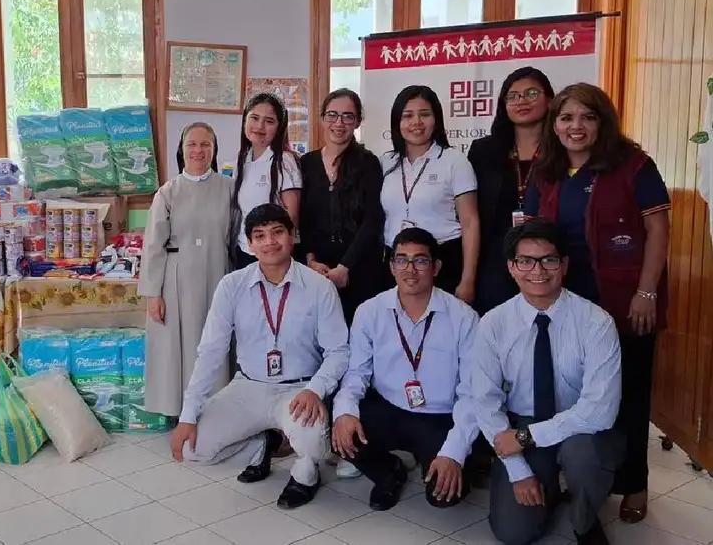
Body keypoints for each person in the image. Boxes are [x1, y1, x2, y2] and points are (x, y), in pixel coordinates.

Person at [524, 83, 670, 522]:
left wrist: (647, 292)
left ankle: (633, 484)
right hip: (564, 304)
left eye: (587, 117)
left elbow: (659, 232)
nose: (576, 127)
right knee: (572, 392)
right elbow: (532, 236)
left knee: (629, 395)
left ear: (602, 121)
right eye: (566, 118)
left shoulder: (634, 165)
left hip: (625, 303)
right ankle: (581, 478)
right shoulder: (545, 170)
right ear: (554, 124)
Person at [169, 203, 349, 509]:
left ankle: (305, 475)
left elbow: (339, 352)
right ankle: (262, 447)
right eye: (260, 235)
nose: (270, 242)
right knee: (192, 450)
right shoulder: (232, 286)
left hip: (298, 389)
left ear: (292, 236)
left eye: (278, 232)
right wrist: (187, 415)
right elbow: (211, 352)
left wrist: (314, 390)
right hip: (248, 386)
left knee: (313, 443)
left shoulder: (319, 287)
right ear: (249, 244)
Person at [471, 218, 623, 545]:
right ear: (511, 267)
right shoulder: (493, 324)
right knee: (513, 534)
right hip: (520, 423)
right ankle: (547, 487)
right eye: (525, 261)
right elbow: (485, 403)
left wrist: (527, 437)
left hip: (578, 426)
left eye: (549, 260)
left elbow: (600, 411)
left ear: (564, 265)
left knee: (585, 456)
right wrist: (519, 471)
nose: (537, 270)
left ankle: (583, 518)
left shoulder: (596, 323)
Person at [332, 227, 479, 510]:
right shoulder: (370, 311)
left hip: (441, 417)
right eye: (402, 260)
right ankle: (388, 472)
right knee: (335, 417)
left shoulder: (464, 318)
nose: (410, 269)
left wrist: (453, 453)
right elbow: (356, 374)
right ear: (391, 266)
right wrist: (345, 413)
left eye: (421, 260)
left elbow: (472, 393)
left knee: (443, 496)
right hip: (390, 409)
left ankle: (440, 461)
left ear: (436, 267)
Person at [139, 122, 233, 418]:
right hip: (177, 281)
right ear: (182, 149)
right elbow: (153, 246)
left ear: (214, 150)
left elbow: (238, 237)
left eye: (205, 144)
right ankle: (179, 409)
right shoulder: (168, 193)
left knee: (214, 340)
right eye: (192, 144)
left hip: (219, 274)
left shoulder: (229, 189)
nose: (198, 150)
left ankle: (216, 407)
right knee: (178, 346)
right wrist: (153, 293)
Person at [380, 86, 479, 303]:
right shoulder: (385, 162)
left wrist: (468, 280)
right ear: (397, 122)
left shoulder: (454, 161)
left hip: (443, 262)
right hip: (397, 263)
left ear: (436, 119)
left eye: (424, 114)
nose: (416, 122)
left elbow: (470, 222)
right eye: (407, 116)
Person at [469, 67, 555, 315]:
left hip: (546, 260)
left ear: (549, 100)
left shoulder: (562, 150)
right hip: (495, 261)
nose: (522, 101)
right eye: (513, 96)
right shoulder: (483, 151)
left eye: (531, 93)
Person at [299, 88, 385, 324]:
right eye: (332, 115)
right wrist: (310, 260)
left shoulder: (368, 163)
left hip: (359, 270)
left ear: (357, 121)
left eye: (348, 116)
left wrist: (346, 267)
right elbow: (302, 218)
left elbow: (373, 219)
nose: (339, 123)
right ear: (322, 118)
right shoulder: (306, 163)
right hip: (316, 271)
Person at [229, 93, 302, 270]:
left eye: (269, 121)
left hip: (273, 256)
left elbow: (292, 217)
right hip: (246, 251)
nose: (259, 126)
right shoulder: (243, 159)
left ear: (279, 127)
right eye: (254, 118)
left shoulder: (283, 161)